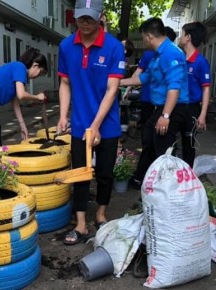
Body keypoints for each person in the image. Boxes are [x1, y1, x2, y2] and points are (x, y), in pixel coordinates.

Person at [57, 0, 125, 245]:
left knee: (105, 173)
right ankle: (81, 225)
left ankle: (101, 214)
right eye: (80, 18)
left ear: (101, 16)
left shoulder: (114, 47)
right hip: (78, 123)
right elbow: (65, 83)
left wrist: (96, 125)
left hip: (106, 125)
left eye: (90, 18)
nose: (84, 23)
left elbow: (112, 89)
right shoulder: (66, 46)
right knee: (80, 174)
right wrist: (63, 115)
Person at [120, 17, 189, 189]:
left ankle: (169, 188)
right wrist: (118, 83)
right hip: (161, 107)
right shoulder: (158, 55)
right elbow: (145, 77)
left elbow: (174, 88)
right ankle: (143, 181)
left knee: (163, 149)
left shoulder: (171, 53)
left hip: (173, 108)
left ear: (149, 36)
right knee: (150, 141)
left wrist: (165, 116)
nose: (143, 41)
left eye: (143, 37)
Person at [0, 48, 48, 153]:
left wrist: (22, 126)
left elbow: (15, 101)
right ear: (35, 65)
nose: (38, 76)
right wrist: (37, 97)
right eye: (40, 72)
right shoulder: (20, 67)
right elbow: (21, 95)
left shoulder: (16, 70)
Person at [178, 21, 211, 167]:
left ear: (188, 37)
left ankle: (188, 178)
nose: (180, 37)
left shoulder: (201, 62)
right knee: (170, 141)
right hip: (176, 106)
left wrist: (202, 115)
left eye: (182, 33)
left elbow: (206, 89)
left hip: (192, 108)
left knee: (188, 144)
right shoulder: (179, 58)